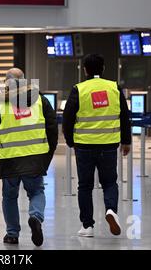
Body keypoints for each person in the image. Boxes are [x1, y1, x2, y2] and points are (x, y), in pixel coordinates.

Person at [0, 68, 58, 246]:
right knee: (37, 191)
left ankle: (12, 234)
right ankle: (36, 217)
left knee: (9, 197)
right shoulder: (40, 100)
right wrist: (49, 152)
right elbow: (52, 127)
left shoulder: (0, 103)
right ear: (24, 80)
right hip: (34, 157)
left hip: (9, 159)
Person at [62, 54, 131, 238]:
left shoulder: (79, 89)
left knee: (85, 185)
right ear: (103, 68)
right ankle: (111, 210)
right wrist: (126, 141)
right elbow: (124, 116)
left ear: (85, 69)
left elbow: (67, 119)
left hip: (84, 146)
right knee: (109, 182)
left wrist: (70, 141)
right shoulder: (114, 88)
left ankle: (87, 226)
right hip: (109, 144)